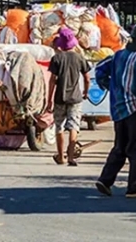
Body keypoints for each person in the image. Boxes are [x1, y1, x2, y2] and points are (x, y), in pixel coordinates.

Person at [94, 21, 136, 199]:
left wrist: (111, 86)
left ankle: (105, 180)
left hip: (118, 109)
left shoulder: (118, 56)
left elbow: (99, 69)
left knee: (120, 147)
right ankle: (134, 188)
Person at [46, 27, 90, 166]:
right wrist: (86, 92)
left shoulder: (56, 58)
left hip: (60, 98)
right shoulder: (79, 58)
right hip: (75, 98)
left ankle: (60, 156)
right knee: (73, 126)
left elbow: (52, 80)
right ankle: (71, 157)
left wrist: (49, 100)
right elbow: (87, 78)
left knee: (59, 126)